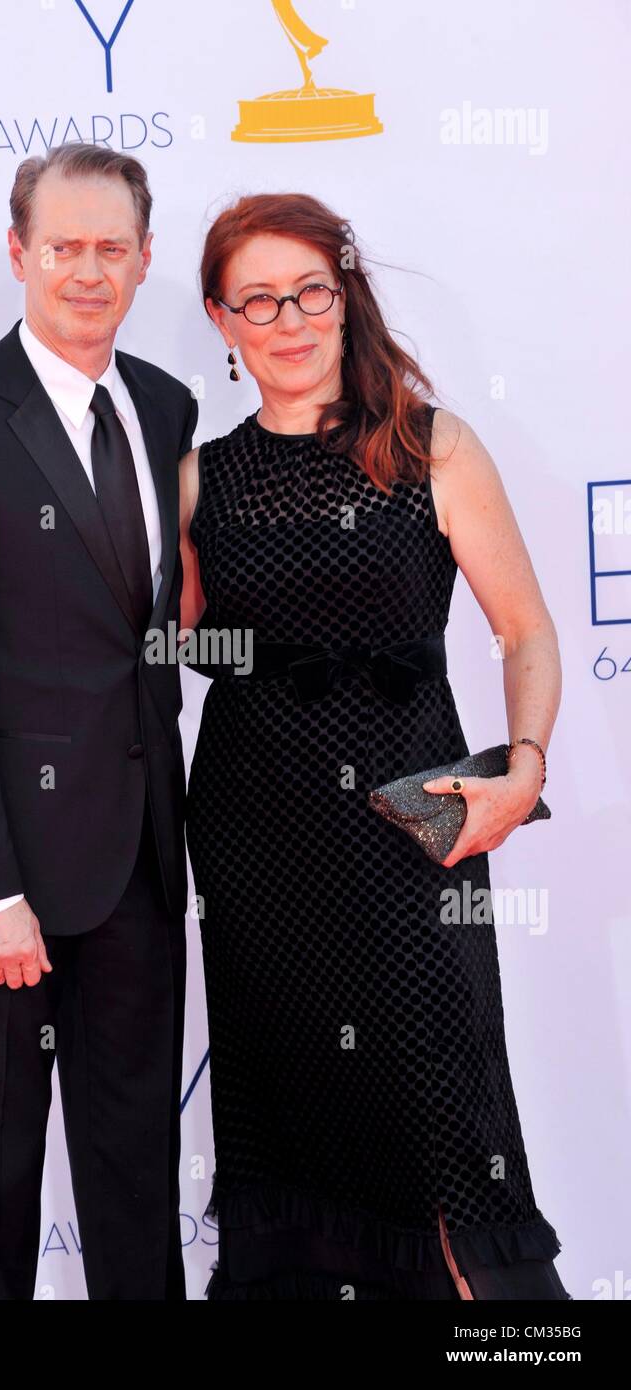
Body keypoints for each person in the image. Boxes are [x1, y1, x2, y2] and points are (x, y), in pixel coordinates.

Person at [178, 192, 571, 1300]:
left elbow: (526, 630)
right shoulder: (201, 478)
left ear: (344, 298)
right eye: (259, 299)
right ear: (223, 320)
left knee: (447, 1115)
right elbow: (192, 641)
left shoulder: (430, 443)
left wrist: (524, 770)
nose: (289, 318)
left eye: (310, 291)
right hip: (259, 836)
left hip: (413, 821)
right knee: (292, 1109)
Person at [0, 143, 198, 1300]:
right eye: (64, 246)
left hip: (144, 879)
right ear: (20, 253)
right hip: (3, 888)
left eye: (113, 248)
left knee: (137, 1183)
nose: (89, 271)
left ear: (146, 258)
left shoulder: (166, 407)